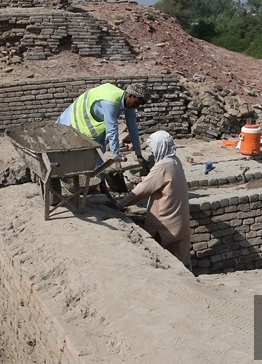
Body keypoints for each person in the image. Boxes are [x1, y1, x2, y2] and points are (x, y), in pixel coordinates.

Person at [116, 130, 192, 267]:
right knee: (182, 261)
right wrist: (142, 178)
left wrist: (120, 204)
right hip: (181, 222)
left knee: (160, 258)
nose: (152, 152)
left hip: (165, 224)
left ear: (160, 147)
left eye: (154, 149)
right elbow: (163, 180)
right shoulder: (175, 161)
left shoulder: (162, 166)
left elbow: (141, 191)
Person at [57, 82, 149, 168]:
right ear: (129, 95)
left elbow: (132, 128)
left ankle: (99, 181)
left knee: (99, 153)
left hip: (91, 123)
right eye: (137, 103)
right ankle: (94, 181)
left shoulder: (128, 103)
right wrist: (116, 157)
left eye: (140, 105)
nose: (137, 107)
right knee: (89, 154)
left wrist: (139, 154)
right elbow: (112, 131)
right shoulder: (110, 102)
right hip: (74, 120)